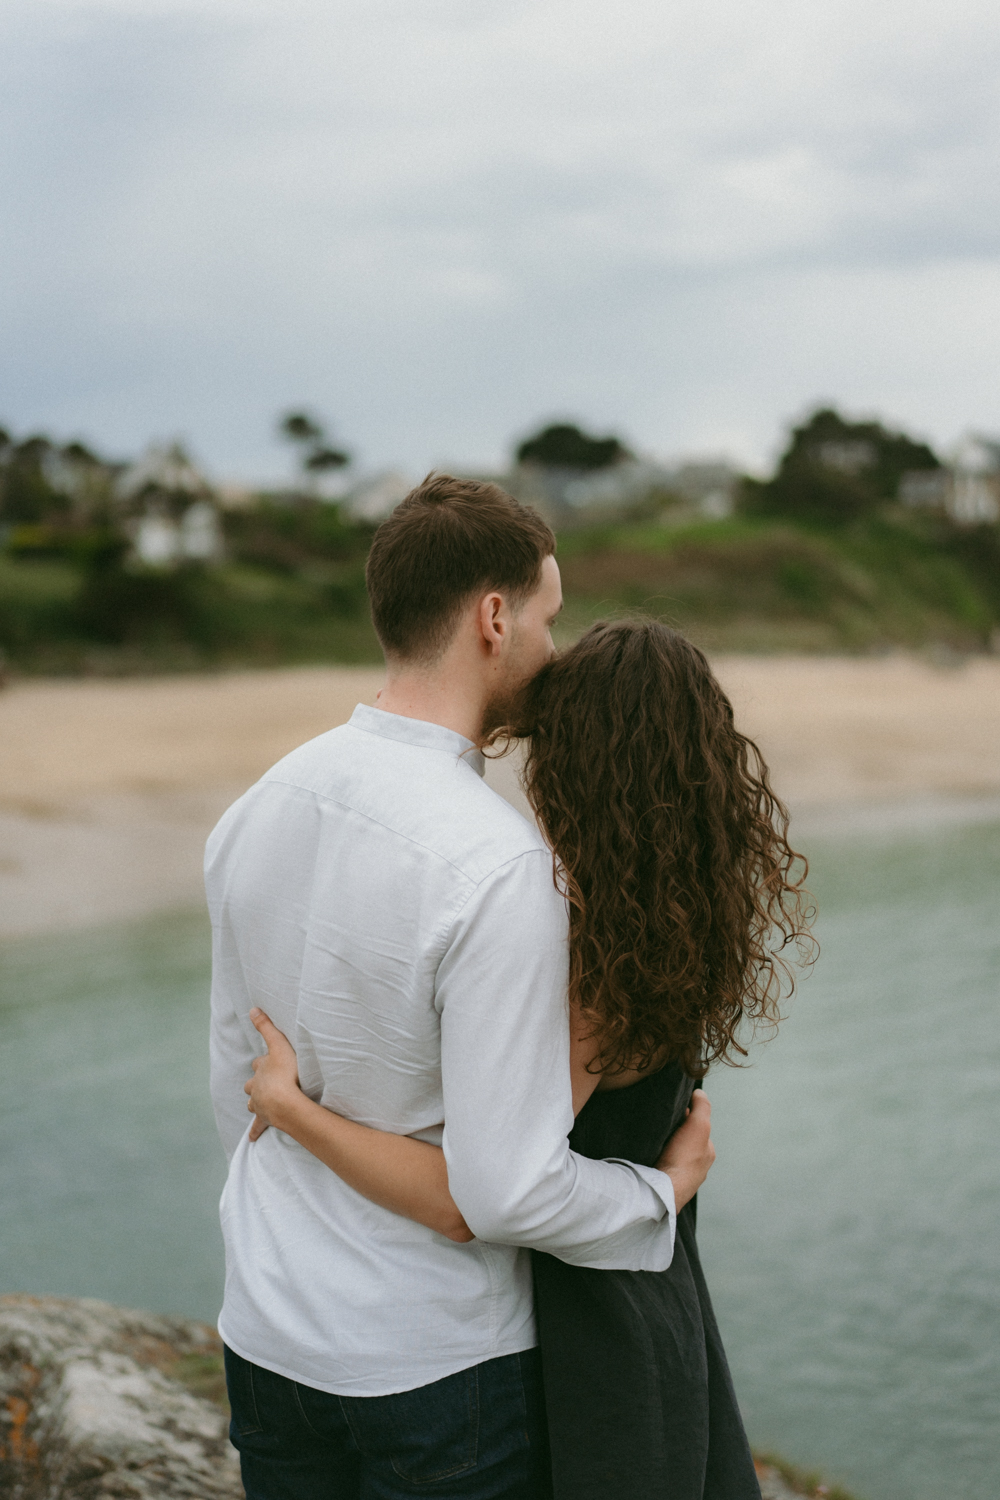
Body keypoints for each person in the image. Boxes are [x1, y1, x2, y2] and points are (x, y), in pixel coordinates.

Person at [207, 475, 718, 1500]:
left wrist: (295, 1133)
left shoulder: (261, 802)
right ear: (494, 618)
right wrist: (658, 1191)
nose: (552, 648)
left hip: (266, 1327)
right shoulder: (498, 870)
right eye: (547, 616)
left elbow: (236, 1083)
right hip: (436, 1363)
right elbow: (501, 1192)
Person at [243, 618, 814, 1498]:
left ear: (571, 767)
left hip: (590, 1330)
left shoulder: (585, 959)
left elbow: (476, 1198)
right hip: (653, 1299)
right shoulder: (672, 915)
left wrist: (294, 1110)